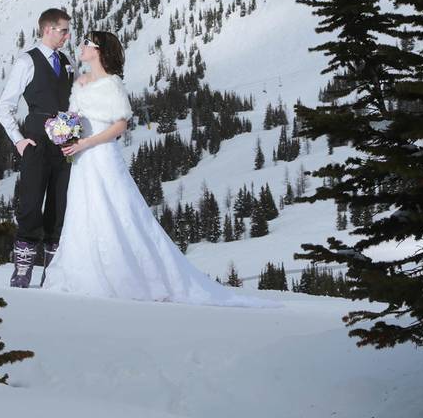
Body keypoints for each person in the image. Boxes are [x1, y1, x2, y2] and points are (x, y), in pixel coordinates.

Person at [42, 31, 275, 307]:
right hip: (81, 159)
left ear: (100, 51)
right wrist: (65, 134)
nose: (81, 46)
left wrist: (86, 142)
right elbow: (74, 116)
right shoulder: (80, 82)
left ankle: (128, 275)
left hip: (101, 155)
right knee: (83, 211)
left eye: (87, 43)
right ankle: (82, 271)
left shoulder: (112, 84)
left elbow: (119, 126)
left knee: (118, 211)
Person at [0, 8, 75, 288]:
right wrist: (19, 140)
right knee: (30, 204)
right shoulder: (27, 62)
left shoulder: (67, 62)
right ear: (47, 30)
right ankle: (22, 270)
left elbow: (71, 100)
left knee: (59, 204)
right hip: (36, 141)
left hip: (64, 142)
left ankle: (52, 272)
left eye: (68, 30)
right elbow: (4, 105)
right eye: (63, 30)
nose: (67, 35)